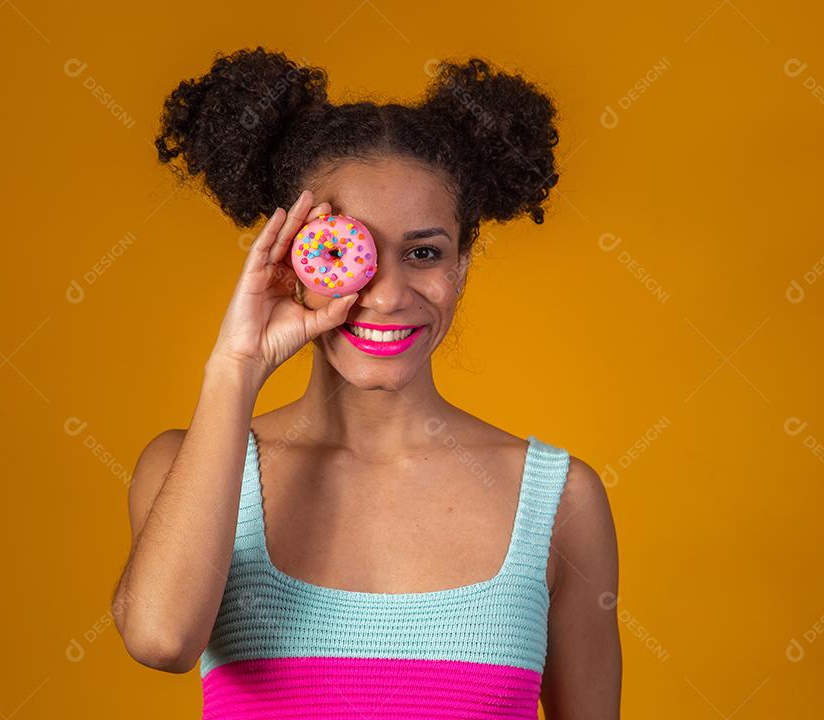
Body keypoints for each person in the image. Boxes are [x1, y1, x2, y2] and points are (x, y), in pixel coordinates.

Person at [111, 46, 621, 718]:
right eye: (346, 250)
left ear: (462, 264)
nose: (385, 295)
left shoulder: (562, 502)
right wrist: (235, 367)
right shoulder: (189, 468)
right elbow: (160, 638)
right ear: (286, 256)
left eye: (424, 252)